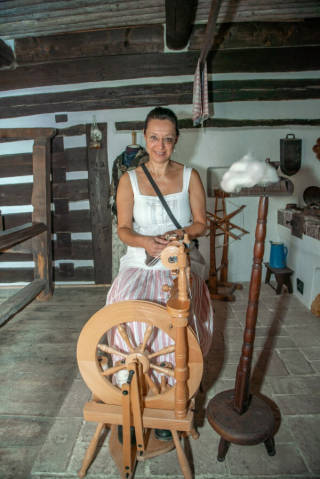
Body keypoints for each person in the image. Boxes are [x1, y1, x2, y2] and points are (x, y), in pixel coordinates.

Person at [106, 107, 214, 386]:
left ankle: (171, 387)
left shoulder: (191, 176)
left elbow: (201, 223)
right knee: (125, 306)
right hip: (139, 259)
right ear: (144, 137)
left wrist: (180, 233)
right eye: (154, 138)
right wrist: (143, 242)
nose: (160, 146)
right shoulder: (128, 180)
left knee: (176, 313)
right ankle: (131, 385)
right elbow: (123, 230)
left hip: (178, 257)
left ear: (176, 139)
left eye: (167, 139)